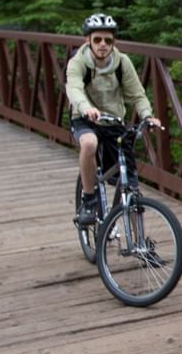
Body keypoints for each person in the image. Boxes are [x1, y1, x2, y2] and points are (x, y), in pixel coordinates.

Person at [66, 12, 158, 225]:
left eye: (108, 40)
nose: (102, 45)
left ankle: (141, 245)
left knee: (132, 187)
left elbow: (137, 94)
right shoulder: (77, 62)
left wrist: (148, 116)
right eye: (97, 39)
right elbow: (74, 89)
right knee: (89, 144)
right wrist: (86, 107)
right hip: (85, 118)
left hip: (114, 122)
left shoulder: (122, 63)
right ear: (87, 40)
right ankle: (89, 199)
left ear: (113, 42)